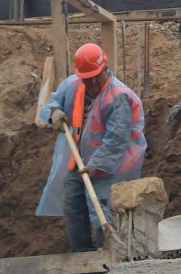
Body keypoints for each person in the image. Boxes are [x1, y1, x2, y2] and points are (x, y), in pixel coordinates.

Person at [35, 43, 147, 251]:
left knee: (105, 212)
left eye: (97, 75)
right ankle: (81, 256)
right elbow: (51, 103)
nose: (93, 82)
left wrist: (97, 165)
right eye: (88, 78)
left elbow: (116, 140)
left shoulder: (118, 96)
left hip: (114, 167)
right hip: (81, 161)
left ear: (105, 68)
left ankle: (109, 254)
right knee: (72, 204)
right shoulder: (73, 86)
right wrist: (54, 113)